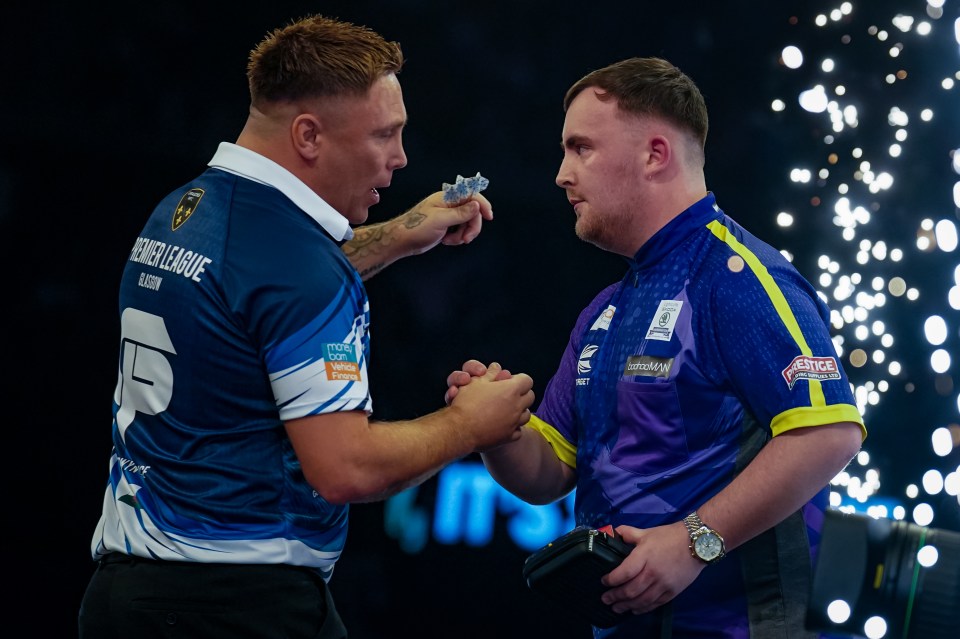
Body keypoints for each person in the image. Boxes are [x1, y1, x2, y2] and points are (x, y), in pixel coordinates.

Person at [77, 14, 535, 639]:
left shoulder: (187, 210)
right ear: (309, 136)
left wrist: (400, 235)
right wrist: (471, 425)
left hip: (127, 596)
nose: (401, 159)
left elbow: (261, 295)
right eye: (385, 135)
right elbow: (347, 469)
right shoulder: (295, 266)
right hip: (236, 608)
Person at [447, 57, 866, 638]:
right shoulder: (604, 310)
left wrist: (695, 542)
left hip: (738, 626)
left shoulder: (740, 278)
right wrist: (493, 431)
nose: (561, 174)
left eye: (581, 148)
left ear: (654, 154)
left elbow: (828, 433)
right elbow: (548, 474)